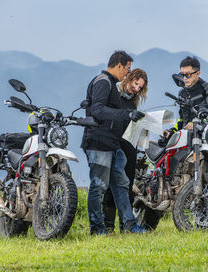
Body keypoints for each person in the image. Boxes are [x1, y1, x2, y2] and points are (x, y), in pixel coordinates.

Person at [81, 51, 147, 235]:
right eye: (127, 68)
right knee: (99, 186)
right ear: (119, 65)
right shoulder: (103, 81)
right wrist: (126, 114)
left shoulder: (111, 84)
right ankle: (97, 228)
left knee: (121, 184)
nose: (127, 73)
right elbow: (98, 110)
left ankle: (130, 225)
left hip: (113, 145)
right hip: (98, 142)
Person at [102, 68, 148, 233]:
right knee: (110, 186)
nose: (136, 89)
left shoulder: (133, 102)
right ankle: (108, 227)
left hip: (130, 148)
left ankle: (125, 227)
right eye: (136, 84)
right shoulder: (114, 96)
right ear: (128, 78)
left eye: (140, 88)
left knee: (127, 185)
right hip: (114, 146)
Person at [164, 56, 208, 138]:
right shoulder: (182, 93)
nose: (184, 78)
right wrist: (172, 131)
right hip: (185, 137)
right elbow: (182, 119)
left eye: (188, 75)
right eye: (182, 75)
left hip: (205, 136)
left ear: (198, 73)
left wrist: (195, 123)